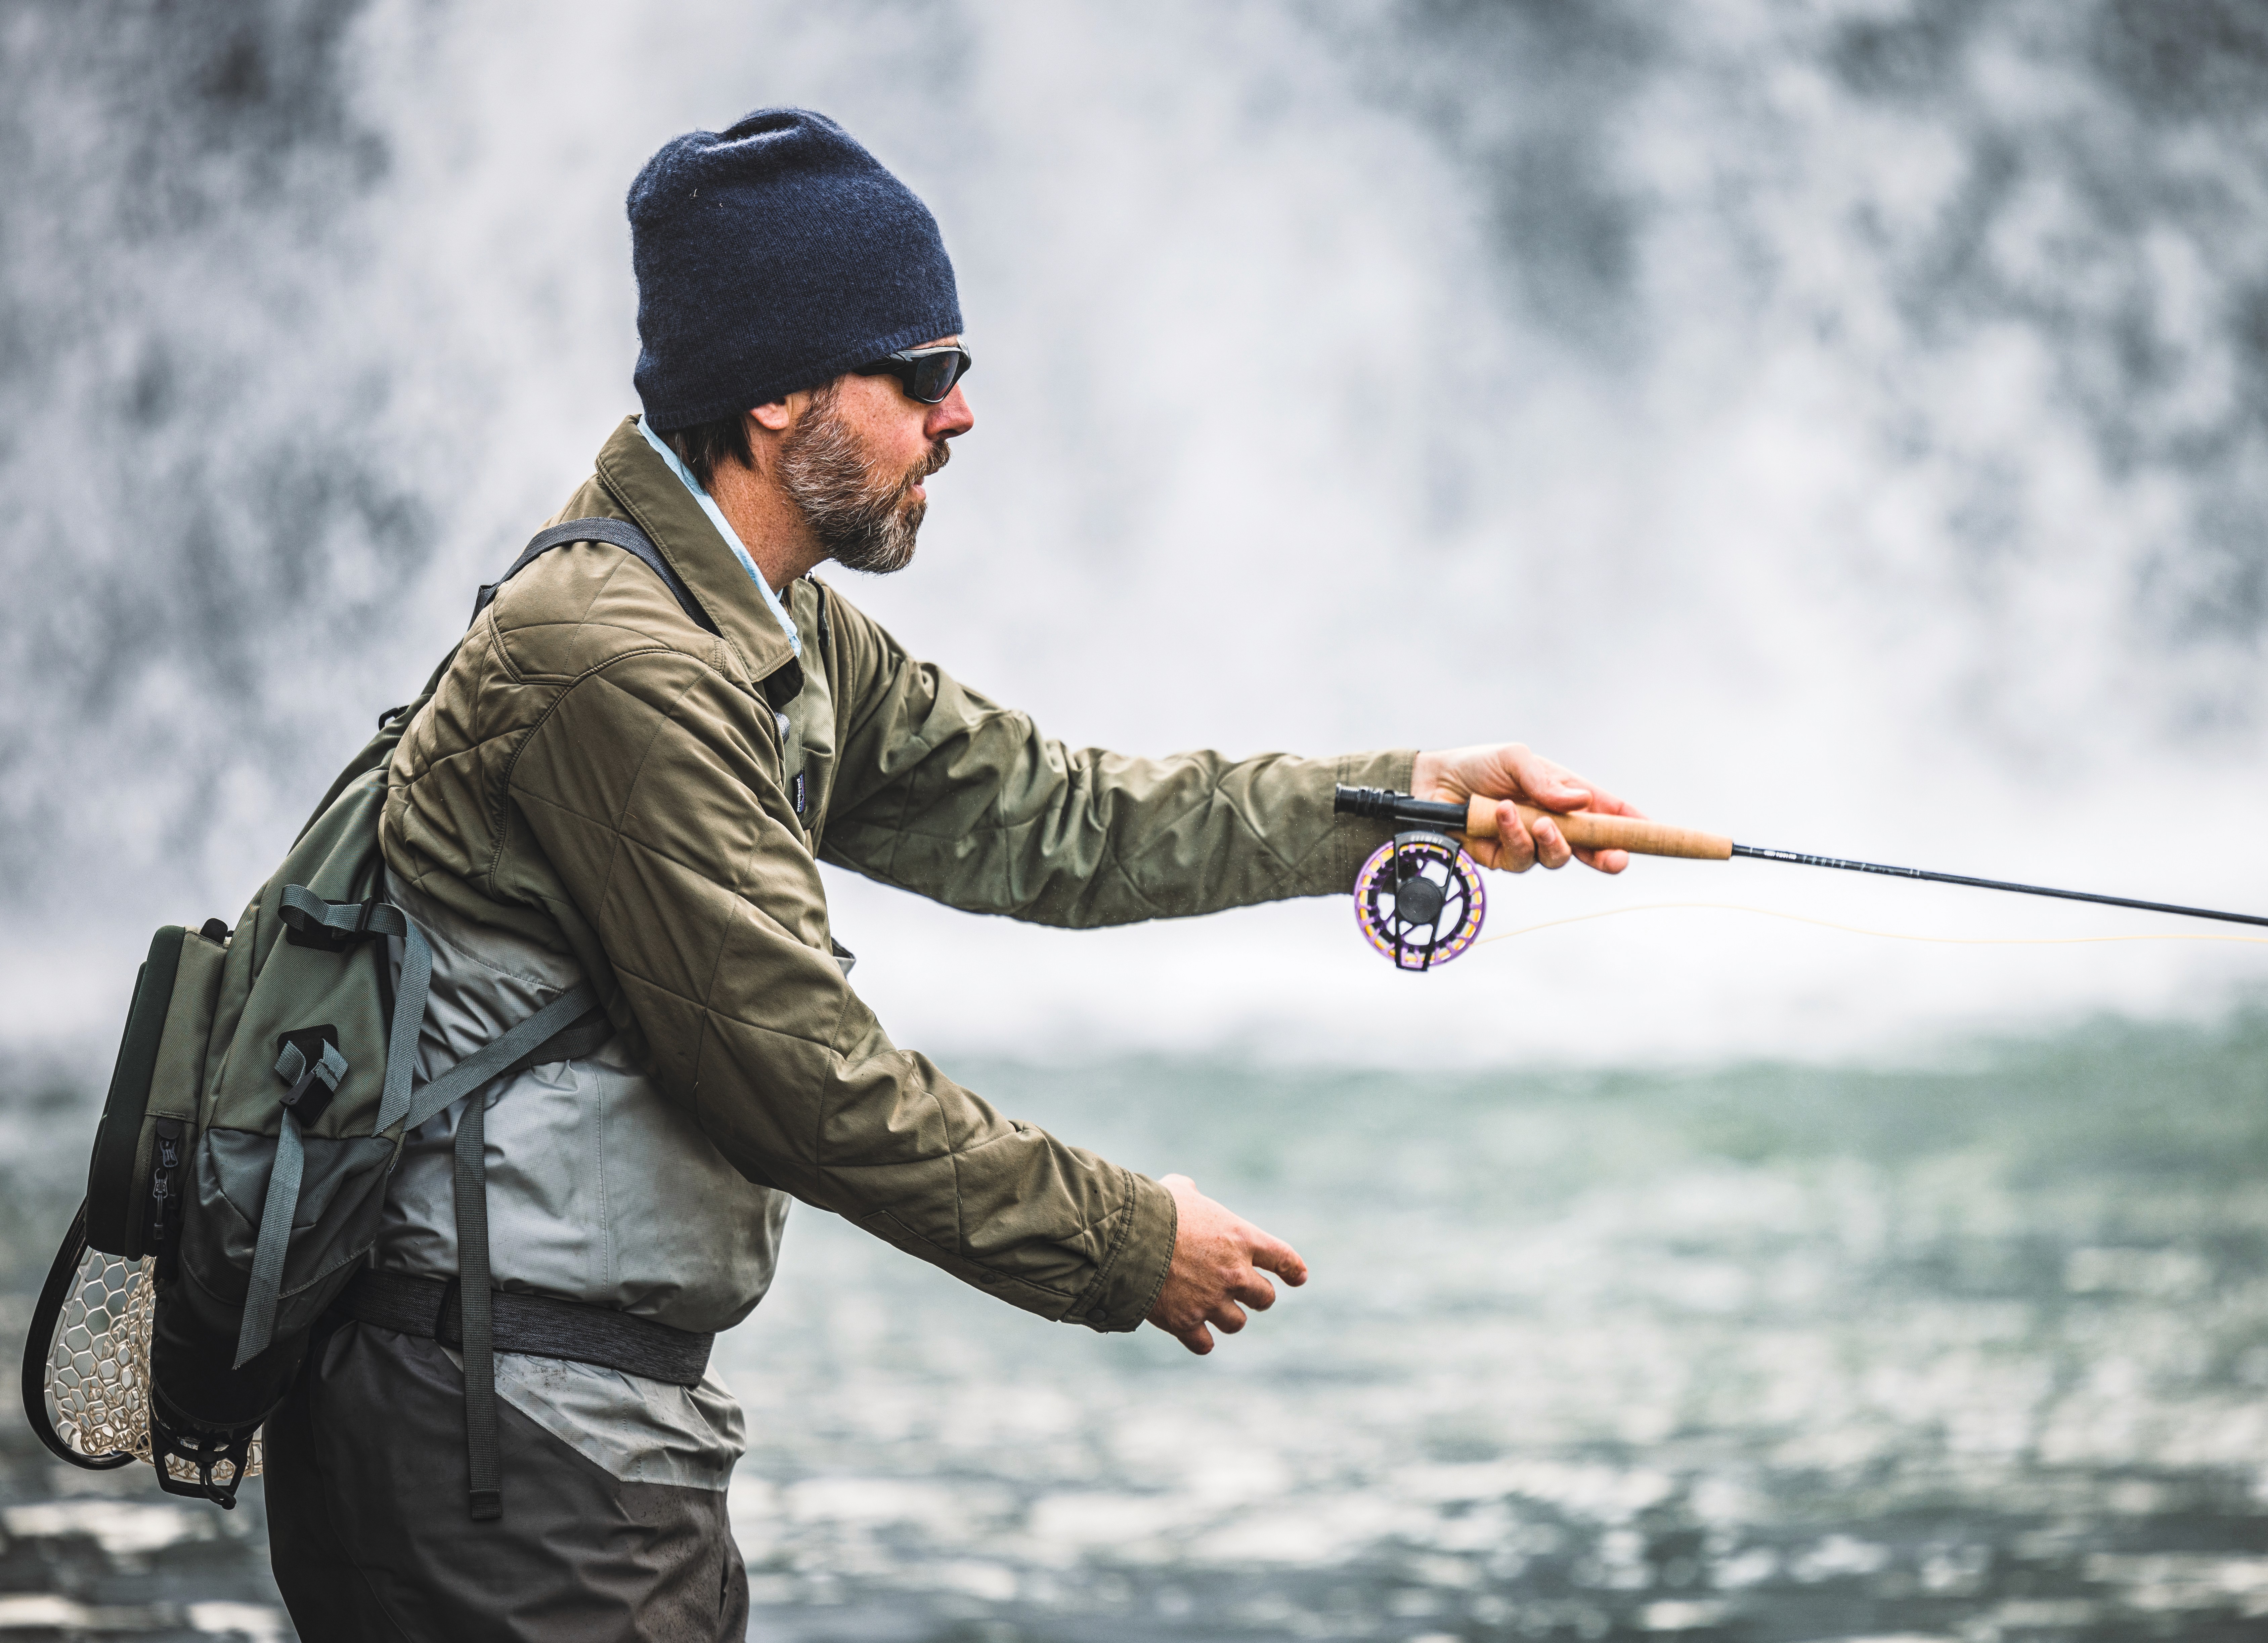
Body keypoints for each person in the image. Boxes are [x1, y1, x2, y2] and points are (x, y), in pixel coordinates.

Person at [259, 107, 1639, 1640]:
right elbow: (805, 1078)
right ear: (781, 394)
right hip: (497, 1440)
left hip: (570, 1425)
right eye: (923, 375)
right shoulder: (616, 662)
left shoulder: (760, 621)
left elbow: (1061, 817)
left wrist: (1399, 807)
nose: (964, 414)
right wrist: (1125, 1240)